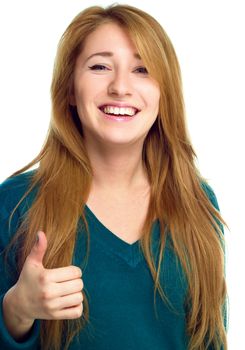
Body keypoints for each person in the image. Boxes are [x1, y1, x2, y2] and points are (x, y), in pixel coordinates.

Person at [0, 4, 228, 350]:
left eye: (142, 69)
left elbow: (211, 336)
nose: (120, 87)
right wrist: (16, 312)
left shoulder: (196, 200)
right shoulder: (15, 203)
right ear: (70, 90)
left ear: (163, 93)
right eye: (100, 66)